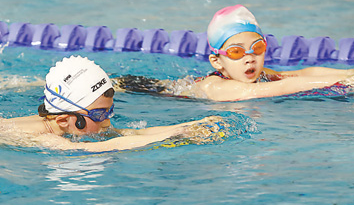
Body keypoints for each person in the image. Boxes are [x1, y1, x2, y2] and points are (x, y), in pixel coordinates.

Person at [115, 5, 354, 102]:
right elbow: (278, 89)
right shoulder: (219, 88)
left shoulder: (258, 73)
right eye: (236, 52)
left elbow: (296, 74)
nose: (249, 58)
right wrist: (337, 82)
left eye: (257, 48)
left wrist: (352, 74)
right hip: (149, 90)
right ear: (217, 61)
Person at [0, 56, 226, 152]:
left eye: (109, 111)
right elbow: (98, 148)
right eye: (99, 114)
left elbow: (132, 133)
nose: (107, 121)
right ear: (64, 120)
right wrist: (172, 137)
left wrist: (190, 126)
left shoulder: (68, 120)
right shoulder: (45, 138)